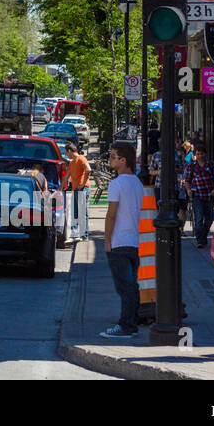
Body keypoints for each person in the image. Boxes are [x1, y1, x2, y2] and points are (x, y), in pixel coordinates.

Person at [101, 143, 142, 339]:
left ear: (123, 160)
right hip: (133, 240)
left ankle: (126, 325)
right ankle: (131, 322)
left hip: (119, 241)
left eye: (113, 156)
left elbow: (111, 215)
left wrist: (106, 239)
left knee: (124, 287)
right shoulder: (137, 183)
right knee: (131, 285)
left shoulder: (116, 184)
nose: (111, 159)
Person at [183, 150, 214, 249]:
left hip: (209, 195)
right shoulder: (191, 166)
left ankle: (203, 235)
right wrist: (188, 190)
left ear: (205, 154)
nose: (200, 156)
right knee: (198, 218)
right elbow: (186, 181)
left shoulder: (211, 165)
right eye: (198, 154)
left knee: (209, 218)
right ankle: (200, 240)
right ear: (195, 155)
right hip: (197, 196)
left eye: (202, 153)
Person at [66, 141, 91, 241]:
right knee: (75, 212)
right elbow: (66, 177)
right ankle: (76, 234)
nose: (66, 155)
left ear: (69, 151)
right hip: (76, 189)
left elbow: (88, 170)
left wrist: (83, 183)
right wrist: (59, 189)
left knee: (82, 212)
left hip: (82, 188)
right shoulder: (72, 163)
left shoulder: (81, 158)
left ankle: (83, 235)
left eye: (66, 153)